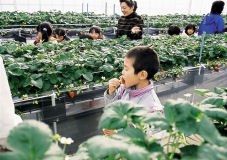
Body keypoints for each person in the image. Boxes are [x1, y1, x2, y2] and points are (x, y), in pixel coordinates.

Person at [103, 46, 163, 136]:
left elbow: (147, 139)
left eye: (126, 69)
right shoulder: (125, 89)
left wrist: (117, 133)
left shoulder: (152, 108)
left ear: (142, 75)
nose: (123, 72)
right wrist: (111, 93)